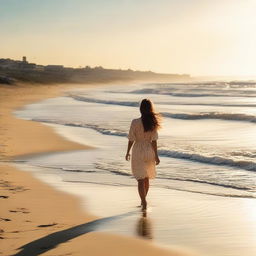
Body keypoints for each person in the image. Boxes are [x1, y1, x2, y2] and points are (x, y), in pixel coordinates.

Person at [125, 99, 161, 210]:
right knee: (146, 178)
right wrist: (156, 155)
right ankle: (143, 200)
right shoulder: (153, 122)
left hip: (138, 150)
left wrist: (127, 152)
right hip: (149, 150)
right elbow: (154, 140)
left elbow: (131, 139)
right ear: (150, 109)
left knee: (140, 179)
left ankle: (143, 201)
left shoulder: (135, 122)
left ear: (140, 109)